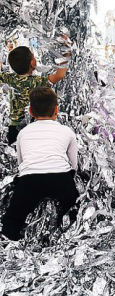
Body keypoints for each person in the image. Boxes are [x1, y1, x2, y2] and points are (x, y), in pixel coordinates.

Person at [1, 87, 79, 241]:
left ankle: (8, 243)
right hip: (61, 178)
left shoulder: (23, 133)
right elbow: (73, 165)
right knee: (74, 211)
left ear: (30, 112)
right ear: (56, 110)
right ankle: (71, 238)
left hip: (30, 180)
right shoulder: (67, 131)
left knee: (13, 218)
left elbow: (21, 164)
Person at [1, 44, 69, 145]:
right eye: (33, 57)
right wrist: (66, 53)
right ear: (32, 63)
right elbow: (60, 75)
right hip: (31, 126)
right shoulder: (37, 82)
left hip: (13, 127)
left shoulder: (9, 78)